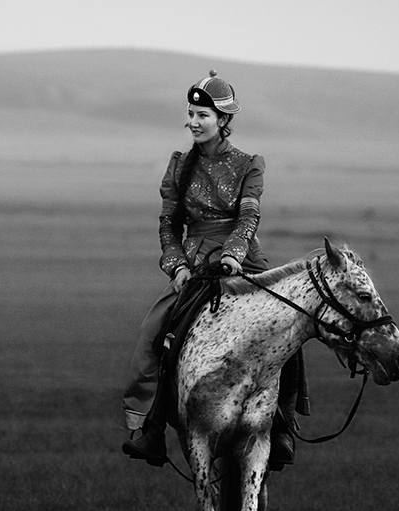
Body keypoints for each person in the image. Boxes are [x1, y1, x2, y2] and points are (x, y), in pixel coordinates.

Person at [120, 70, 307, 470]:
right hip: (194, 262)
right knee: (153, 332)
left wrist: (234, 254)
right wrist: (177, 267)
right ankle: (152, 429)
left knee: (288, 327)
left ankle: (282, 426)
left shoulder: (248, 165)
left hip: (243, 258)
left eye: (202, 114)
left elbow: (248, 216)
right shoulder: (177, 166)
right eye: (190, 113)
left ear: (222, 120)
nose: (193, 121)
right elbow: (168, 224)